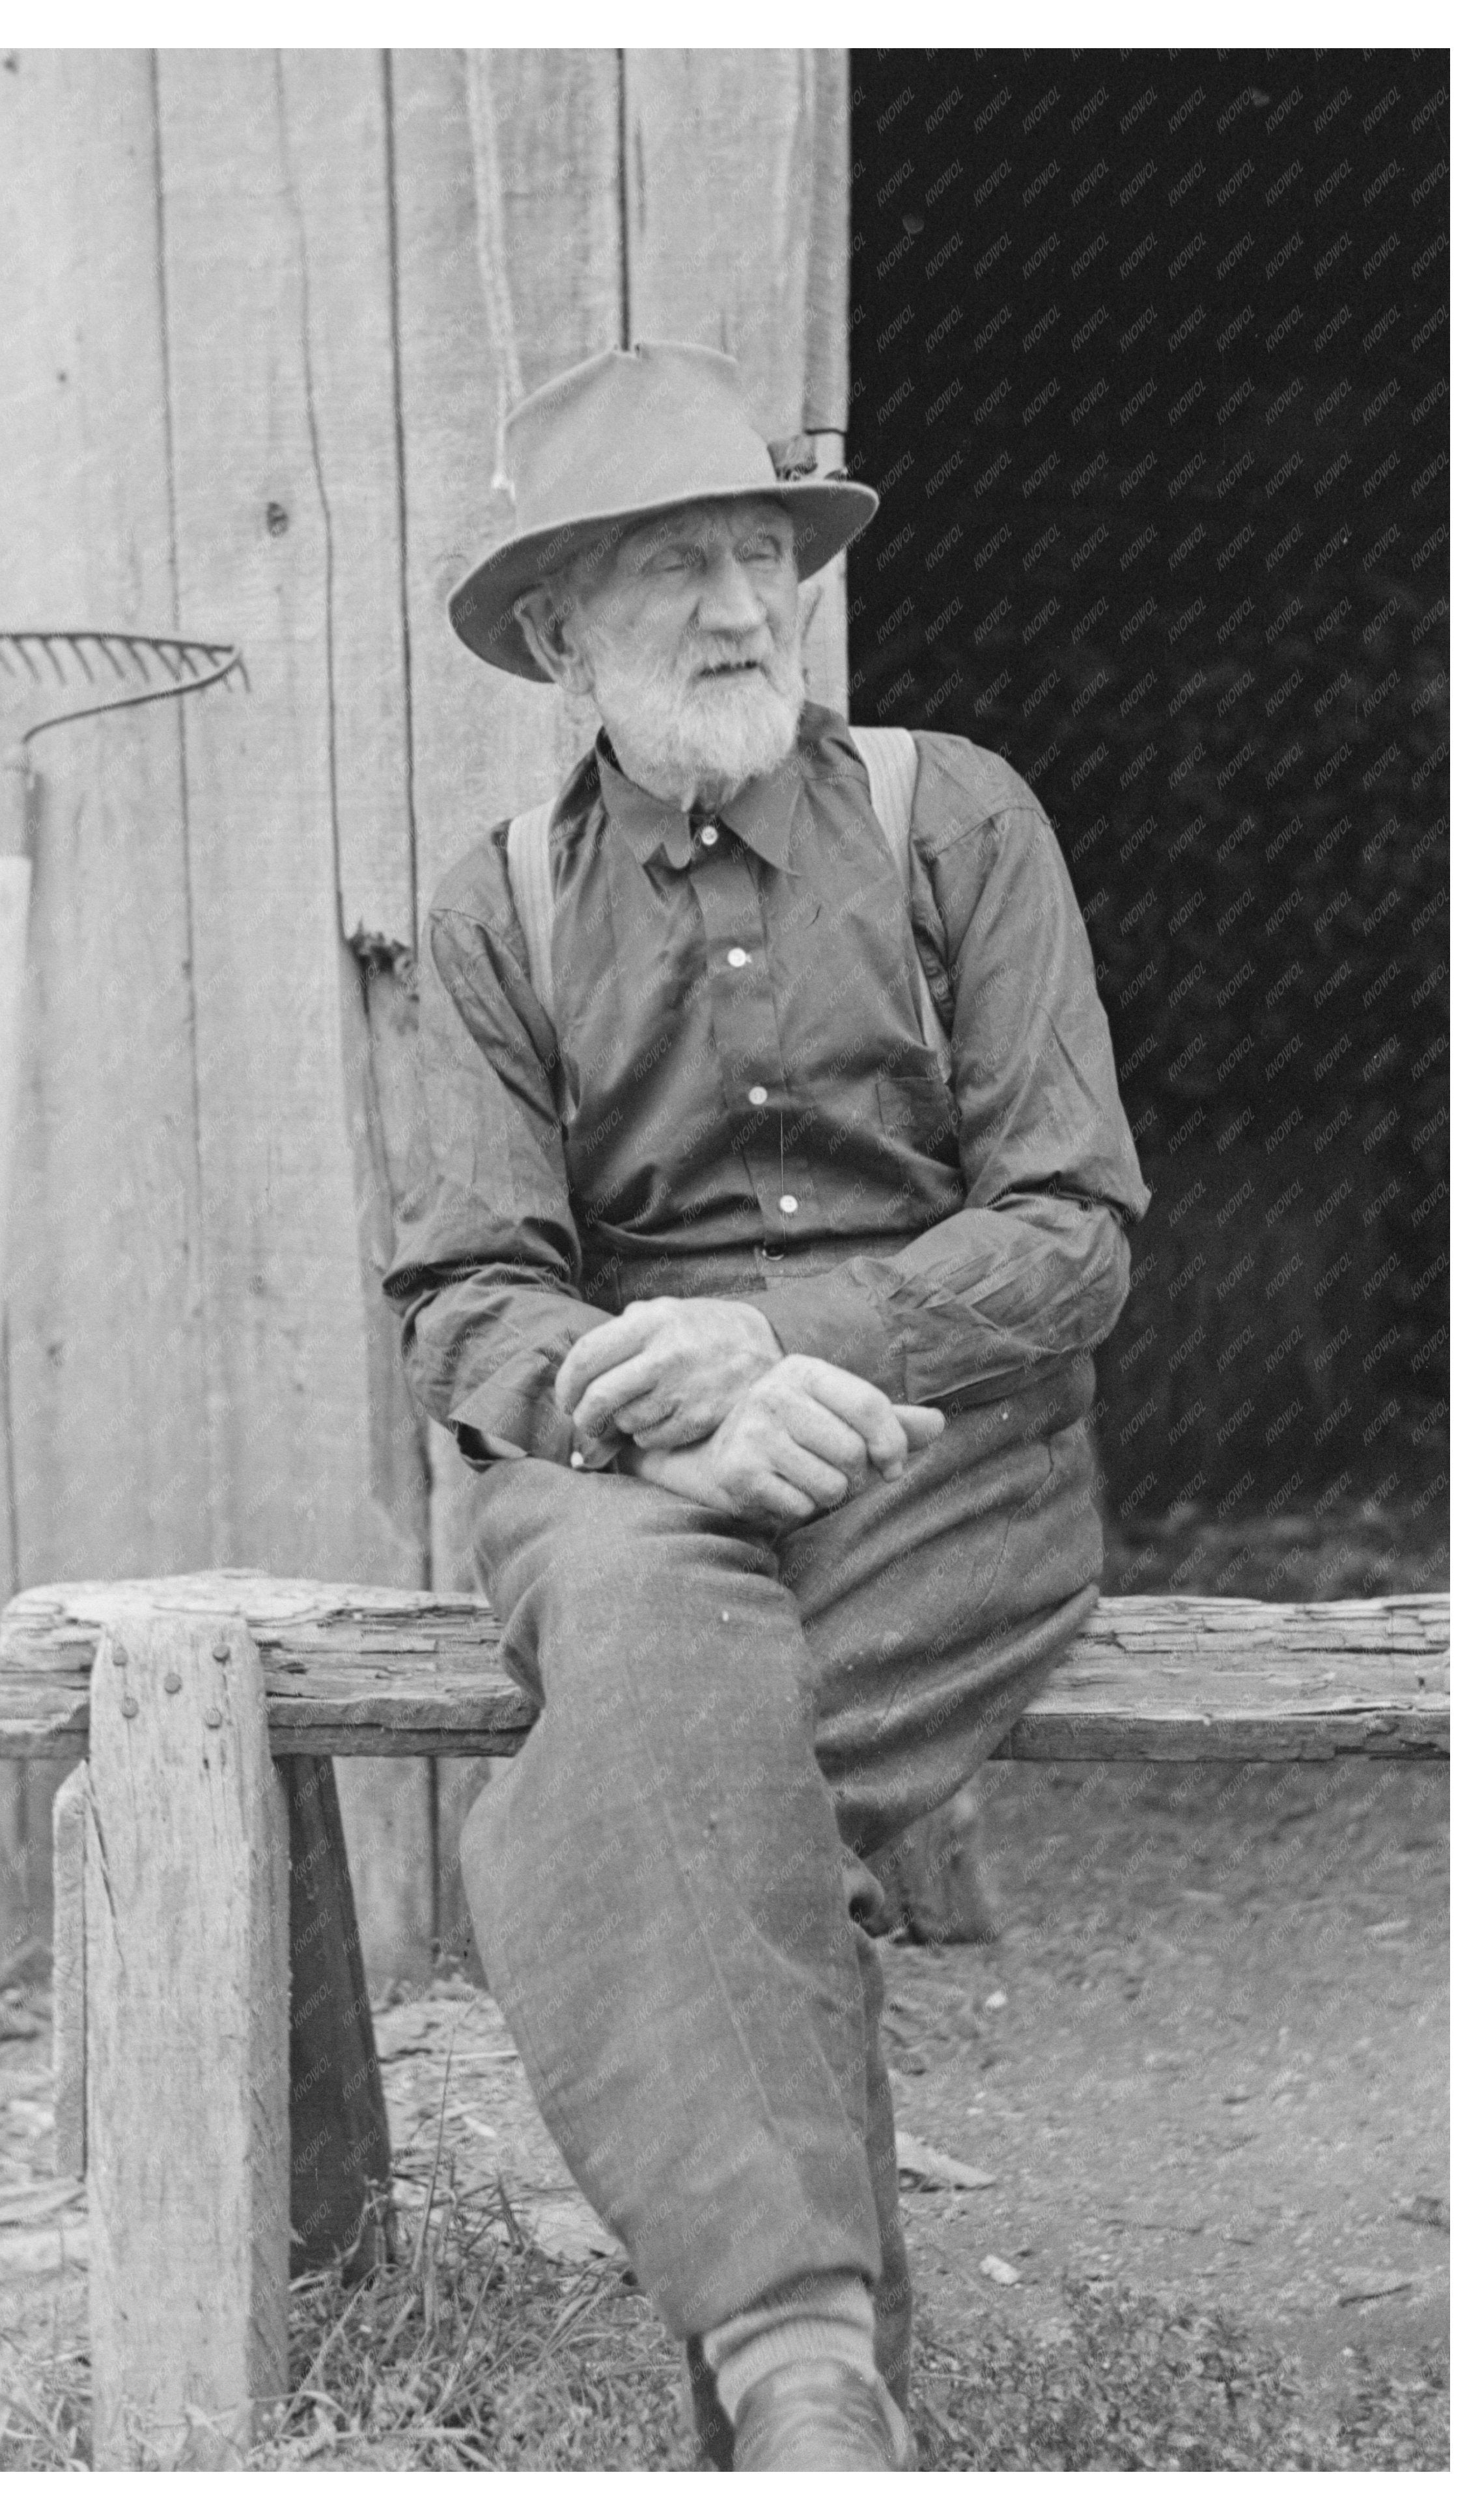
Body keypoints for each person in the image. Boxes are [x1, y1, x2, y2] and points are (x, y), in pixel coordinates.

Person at [384, 340, 1149, 2470]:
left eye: (760, 555)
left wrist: (805, 1356)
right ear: (557, 637)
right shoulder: (495, 909)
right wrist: (639, 1396)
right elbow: (464, 1294)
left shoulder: (950, 814)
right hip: (634, 1470)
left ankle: (783, 2392)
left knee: (654, 1784)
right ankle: (810, 2378)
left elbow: (1075, 1228)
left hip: (941, 1444)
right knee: (650, 1651)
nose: (739, 611)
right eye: (667, 571)